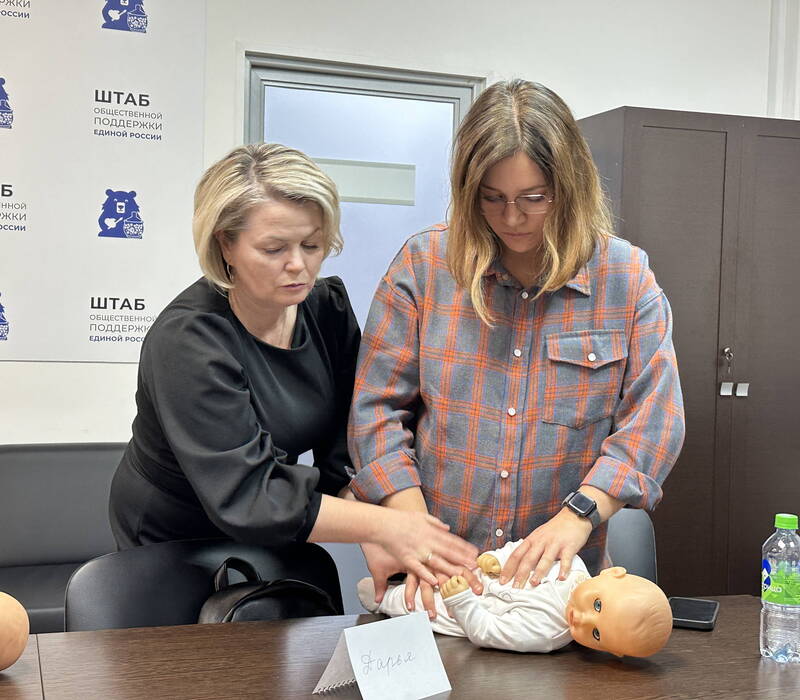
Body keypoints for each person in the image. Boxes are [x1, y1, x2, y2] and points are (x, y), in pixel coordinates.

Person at [348, 80, 685, 616]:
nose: (511, 219)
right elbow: (377, 411)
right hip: (435, 580)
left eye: (534, 199)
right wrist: (408, 524)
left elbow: (654, 424)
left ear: (569, 187)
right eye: (492, 198)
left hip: (556, 591)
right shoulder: (425, 266)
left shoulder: (625, 279)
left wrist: (578, 514)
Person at [108, 143, 477, 585]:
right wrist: (389, 527)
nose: (298, 266)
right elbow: (250, 493)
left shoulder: (325, 309)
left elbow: (346, 438)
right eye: (273, 248)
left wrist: (373, 531)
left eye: (312, 244)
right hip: (174, 536)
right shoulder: (189, 341)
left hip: (267, 522)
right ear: (225, 242)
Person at [358, 539, 672, 657]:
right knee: (424, 562)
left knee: (413, 604)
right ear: (612, 573)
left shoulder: (547, 635)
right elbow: (521, 547)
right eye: (598, 605)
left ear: (609, 651)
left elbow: (485, 633)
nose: (583, 618)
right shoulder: (569, 560)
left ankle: (381, 602)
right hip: (473, 572)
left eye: (597, 634)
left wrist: (461, 601)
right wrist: (495, 558)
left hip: (458, 610)